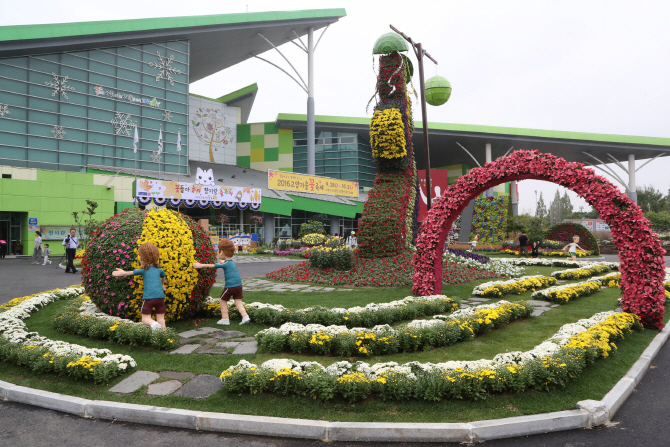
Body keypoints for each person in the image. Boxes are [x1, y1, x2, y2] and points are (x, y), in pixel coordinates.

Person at [193, 239, 250, 326]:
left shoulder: (226, 264)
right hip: (238, 286)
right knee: (238, 302)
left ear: (222, 252)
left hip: (230, 286)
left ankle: (225, 319)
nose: (217, 253)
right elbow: (225, 263)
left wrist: (200, 265)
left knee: (223, 301)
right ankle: (245, 316)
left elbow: (213, 265)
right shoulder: (232, 262)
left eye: (218, 251)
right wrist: (223, 261)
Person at [112, 242, 166, 331]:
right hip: (160, 298)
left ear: (143, 258)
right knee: (161, 318)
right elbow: (164, 276)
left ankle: (154, 324)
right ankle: (164, 335)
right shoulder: (159, 270)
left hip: (149, 298)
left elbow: (131, 272)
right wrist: (162, 284)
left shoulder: (143, 270)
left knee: (145, 319)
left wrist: (123, 272)